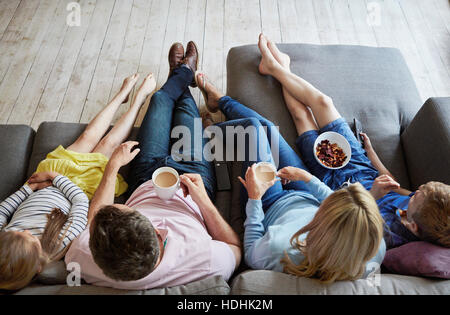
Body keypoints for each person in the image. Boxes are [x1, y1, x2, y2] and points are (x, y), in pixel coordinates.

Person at [65, 41, 242, 290]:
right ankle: (184, 74)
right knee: (183, 107)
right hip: (193, 180)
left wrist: (113, 167)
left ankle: (180, 74)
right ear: (160, 236)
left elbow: (96, 218)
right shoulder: (204, 262)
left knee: (159, 100)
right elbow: (235, 248)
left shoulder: (83, 258)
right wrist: (202, 199)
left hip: (145, 177)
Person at [252, 33, 449, 249]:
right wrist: (370, 153)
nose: (416, 192)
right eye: (420, 190)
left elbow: (347, 215)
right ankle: (278, 68)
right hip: (360, 166)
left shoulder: (388, 235)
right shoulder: (420, 203)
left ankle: (278, 67)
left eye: (416, 197)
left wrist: (372, 194)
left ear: (413, 227)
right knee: (323, 102)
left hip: (338, 187)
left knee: (301, 115)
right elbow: (391, 182)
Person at [194, 72, 385, 283]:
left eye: (330, 203)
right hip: (302, 190)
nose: (331, 196)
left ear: (324, 221)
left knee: (253, 128)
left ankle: (212, 133)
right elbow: (338, 204)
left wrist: (255, 198)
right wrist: (308, 179)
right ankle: (219, 101)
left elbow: (249, 252)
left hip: (269, 202)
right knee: (267, 127)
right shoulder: (373, 243)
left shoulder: (282, 249)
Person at [0, 73, 156, 291]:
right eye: (29, 238)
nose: (26, 231)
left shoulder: (6, 239)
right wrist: (56, 180)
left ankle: (121, 95)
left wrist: (28, 188)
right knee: (108, 143)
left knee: (88, 137)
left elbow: (3, 211)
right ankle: (139, 99)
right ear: (36, 265)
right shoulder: (57, 245)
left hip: (43, 180)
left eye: (16, 231)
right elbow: (81, 205)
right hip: (77, 188)